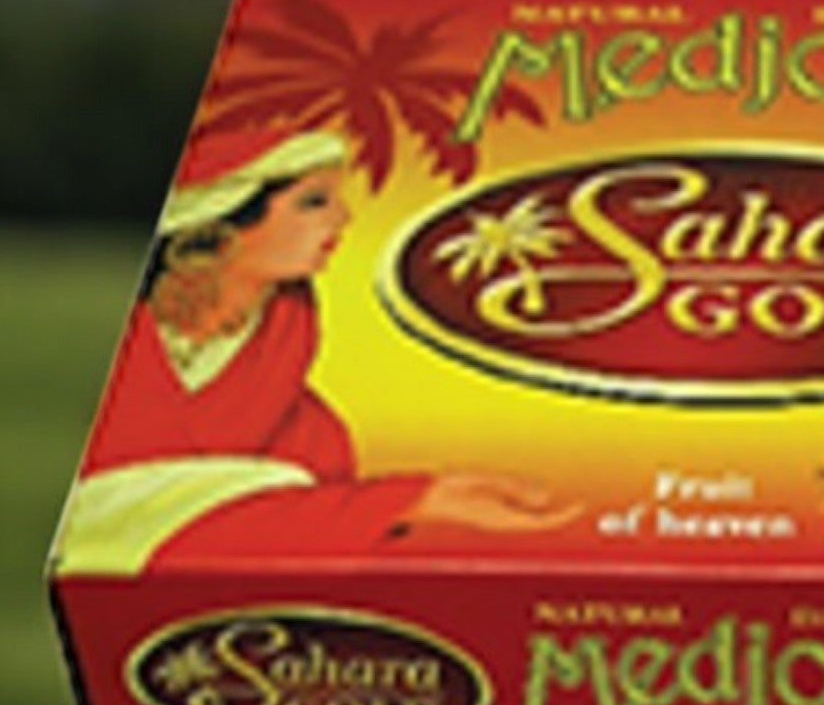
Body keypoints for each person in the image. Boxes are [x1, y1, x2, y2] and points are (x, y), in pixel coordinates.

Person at [52, 120, 578, 577]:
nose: (342, 219)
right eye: (313, 203)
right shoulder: (124, 357)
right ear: (225, 223)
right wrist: (416, 500)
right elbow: (99, 524)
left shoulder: (312, 434)